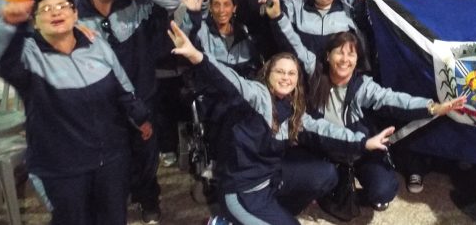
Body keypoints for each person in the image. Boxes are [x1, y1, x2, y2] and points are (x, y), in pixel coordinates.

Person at [167, 21, 396, 225]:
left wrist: (363, 142)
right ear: (268, 73)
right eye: (280, 71)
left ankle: (271, 215)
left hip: (271, 180)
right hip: (243, 191)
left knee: (325, 174)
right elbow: (229, 80)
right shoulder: (257, 95)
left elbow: (325, 129)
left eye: (292, 73)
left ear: (297, 80)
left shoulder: (292, 108)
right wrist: (197, 57)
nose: (286, 77)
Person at [0, 0, 153, 225]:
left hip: (112, 159)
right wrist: (8, 23)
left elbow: (122, 85)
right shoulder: (28, 57)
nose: (55, 12)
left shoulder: (96, 45)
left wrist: (140, 117)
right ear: (35, 22)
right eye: (46, 9)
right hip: (63, 168)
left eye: (62, 6)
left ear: (74, 14)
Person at [76, 0, 182, 224]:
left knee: (146, 157)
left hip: (143, 95)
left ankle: (148, 199)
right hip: (103, 105)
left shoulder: (134, 0)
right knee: (112, 162)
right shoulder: (75, 13)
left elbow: (173, 0)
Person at [308, 32, 465, 211]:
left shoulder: (362, 85)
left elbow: (392, 99)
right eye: (339, 53)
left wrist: (433, 108)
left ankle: (348, 192)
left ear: (357, 60)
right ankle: (332, 184)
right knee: (317, 181)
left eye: (351, 54)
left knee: (383, 191)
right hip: (328, 152)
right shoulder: (314, 82)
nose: (345, 59)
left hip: (362, 150)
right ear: (328, 56)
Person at [143, 0, 197, 168]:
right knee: (163, 107)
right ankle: (167, 146)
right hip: (161, 58)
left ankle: (191, 145)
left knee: (187, 102)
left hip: (187, 56)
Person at [265, 0, 359, 75]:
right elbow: (271, 6)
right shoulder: (295, 6)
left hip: (337, 77)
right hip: (302, 77)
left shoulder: (347, 12)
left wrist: (362, 0)